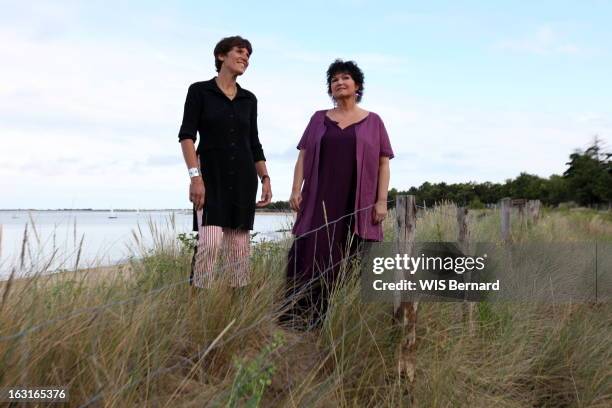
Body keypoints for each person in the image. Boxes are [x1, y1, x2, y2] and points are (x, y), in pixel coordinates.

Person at [282, 59, 394, 329]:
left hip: (356, 201)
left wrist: (381, 201)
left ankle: (339, 318)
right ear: (330, 89)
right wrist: (296, 189)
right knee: (311, 254)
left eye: (345, 78)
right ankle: (301, 317)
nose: (339, 83)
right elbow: (303, 155)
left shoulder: (374, 121)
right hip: (319, 197)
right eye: (334, 80)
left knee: (350, 257)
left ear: (357, 86)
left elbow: (383, 163)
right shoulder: (319, 118)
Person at [178, 35, 272, 289]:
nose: (245, 58)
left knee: (240, 249)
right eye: (240, 52)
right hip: (210, 177)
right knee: (209, 243)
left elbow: (254, 142)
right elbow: (187, 136)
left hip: (243, 179)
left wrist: (265, 178)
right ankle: (197, 308)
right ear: (221, 56)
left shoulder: (249, 99)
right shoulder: (199, 91)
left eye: (248, 55)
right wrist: (195, 178)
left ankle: (236, 310)